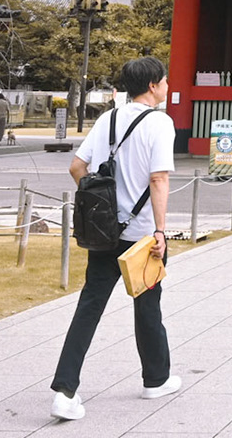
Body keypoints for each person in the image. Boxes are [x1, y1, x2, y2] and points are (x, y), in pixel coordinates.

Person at [49, 57, 178, 421]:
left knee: (89, 306)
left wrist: (100, 205)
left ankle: (64, 389)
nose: (166, 86)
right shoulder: (160, 123)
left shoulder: (107, 119)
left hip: (105, 233)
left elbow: (78, 167)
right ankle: (156, 379)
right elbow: (158, 179)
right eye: (164, 81)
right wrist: (160, 230)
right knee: (148, 305)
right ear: (153, 85)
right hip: (141, 238)